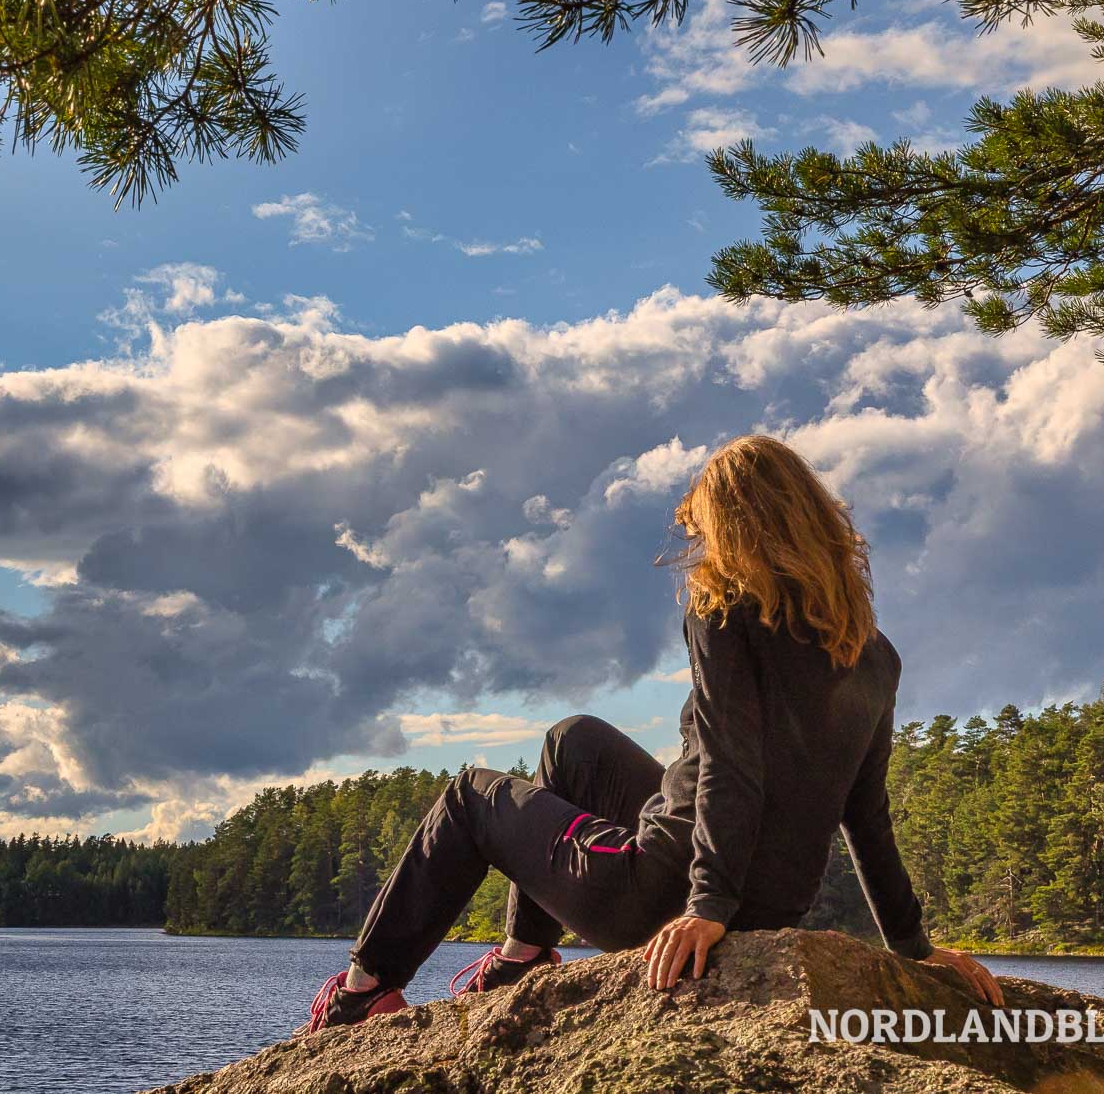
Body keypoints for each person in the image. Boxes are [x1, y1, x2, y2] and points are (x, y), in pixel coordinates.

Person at [299, 434, 1004, 1034]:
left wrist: (706, 909)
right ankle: (522, 957)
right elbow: (865, 812)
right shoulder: (871, 651)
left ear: (735, 530)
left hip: (659, 892)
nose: (699, 546)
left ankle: (364, 989)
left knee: (467, 797)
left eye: (704, 531)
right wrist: (911, 947)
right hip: (764, 901)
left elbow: (733, 765)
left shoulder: (726, 609)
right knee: (573, 740)